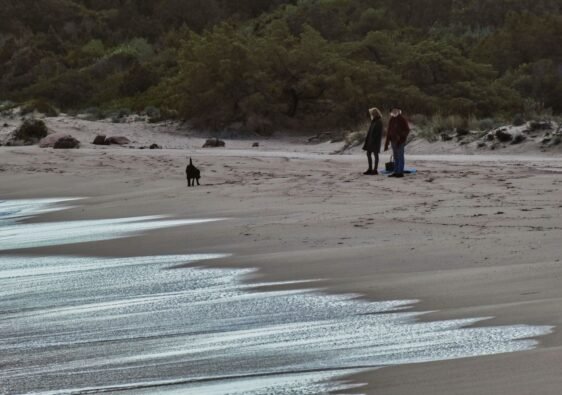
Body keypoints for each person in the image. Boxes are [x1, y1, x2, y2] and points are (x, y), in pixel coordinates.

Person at [384, 106, 410, 178]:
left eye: (396, 110)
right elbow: (389, 131)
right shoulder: (391, 119)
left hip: (400, 141)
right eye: (393, 111)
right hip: (393, 141)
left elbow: (407, 130)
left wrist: (401, 137)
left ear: (399, 111)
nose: (394, 112)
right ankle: (396, 172)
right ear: (391, 112)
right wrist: (386, 143)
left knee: (400, 156)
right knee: (395, 157)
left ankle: (400, 172)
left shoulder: (402, 119)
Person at [362, 107, 383, 175]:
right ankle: (370, 169)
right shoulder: (373, 121)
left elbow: (378, 133)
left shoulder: (379, 121)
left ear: (376, 113)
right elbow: (370, 131)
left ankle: (375, 169)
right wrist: (368, 140)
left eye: (373, 113)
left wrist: (373, 140)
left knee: (375, 154)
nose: (372, 114)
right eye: (372, 113)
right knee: (368, 154)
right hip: (370, 141)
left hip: (375, 141)